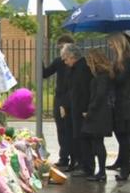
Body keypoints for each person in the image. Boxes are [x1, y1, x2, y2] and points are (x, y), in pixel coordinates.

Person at [105, 33, 130, 181]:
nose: (110, 47)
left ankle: (126, 168)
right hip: (125, 102)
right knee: (122, 135)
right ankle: (124, 164)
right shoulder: (124, 59)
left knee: (124, 136)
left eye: (112, 44)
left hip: (126, 103)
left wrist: (110, 73)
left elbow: (120, 79)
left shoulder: (128, 60)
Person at [60, 44, 94, 177]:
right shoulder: (74, 68)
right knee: (77, 137)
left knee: (83, 139)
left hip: (81, 109)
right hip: (75, 107)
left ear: (71, 56)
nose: (64, 61)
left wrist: (85, 108)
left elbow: (85, 90)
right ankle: (80, 163)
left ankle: (86, 166)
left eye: (65, 58)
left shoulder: (82, 68)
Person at [81, 48, 114, 182]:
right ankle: (100, 170)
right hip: (101, 112)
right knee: (96, 142)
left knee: (97, 142)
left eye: (89, 61)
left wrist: (90, 110)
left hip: (98, 114)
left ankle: (101, 171)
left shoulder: (102, 76)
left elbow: (99, 95)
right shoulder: (104, 75)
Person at [43, 34, 75, 169]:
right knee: (61, 129)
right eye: (60, 48)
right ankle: (64, 156)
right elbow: (45, 73)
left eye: (63, 47)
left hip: (70, 97)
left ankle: (73, 157)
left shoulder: (76, 62)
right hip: (60, 96)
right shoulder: (58, 61)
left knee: (70, 129)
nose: (61, 52)